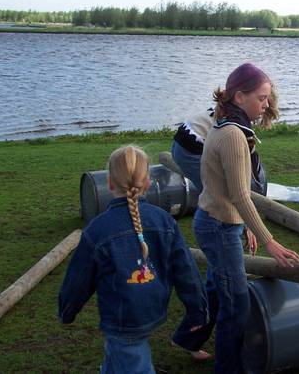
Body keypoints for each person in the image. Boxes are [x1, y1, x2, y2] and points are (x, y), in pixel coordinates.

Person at [171, 62, 299, 373]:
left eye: (267, 98)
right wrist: (271, 242)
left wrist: (246, 226)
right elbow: (242, 195)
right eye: (262, 97)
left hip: (218, 222)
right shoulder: (233, 135)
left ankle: (187, 338)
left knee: (219, 287)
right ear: (240, 97)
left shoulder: (223, 124)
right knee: (237, 304)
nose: (266, 104)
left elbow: (223, 190)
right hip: (218, 228)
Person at [58, 145, 208, 374]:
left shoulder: (97, 230)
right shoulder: (165, 221)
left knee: (132, 361)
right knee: (118, 358)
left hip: (122, 321)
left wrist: (67, 311)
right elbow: (187, 272)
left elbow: (78, 279)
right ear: (148, 182)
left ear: (109, 183)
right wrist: (198, 309)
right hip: (152, 309)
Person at [170, 86, 278, 194]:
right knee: (216, 196)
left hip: (181, 141)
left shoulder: (228, 109)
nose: (263, 110)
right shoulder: (238, 125)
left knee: (212, 195)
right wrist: (257, 189)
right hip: (191, 150)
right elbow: (246, 162)